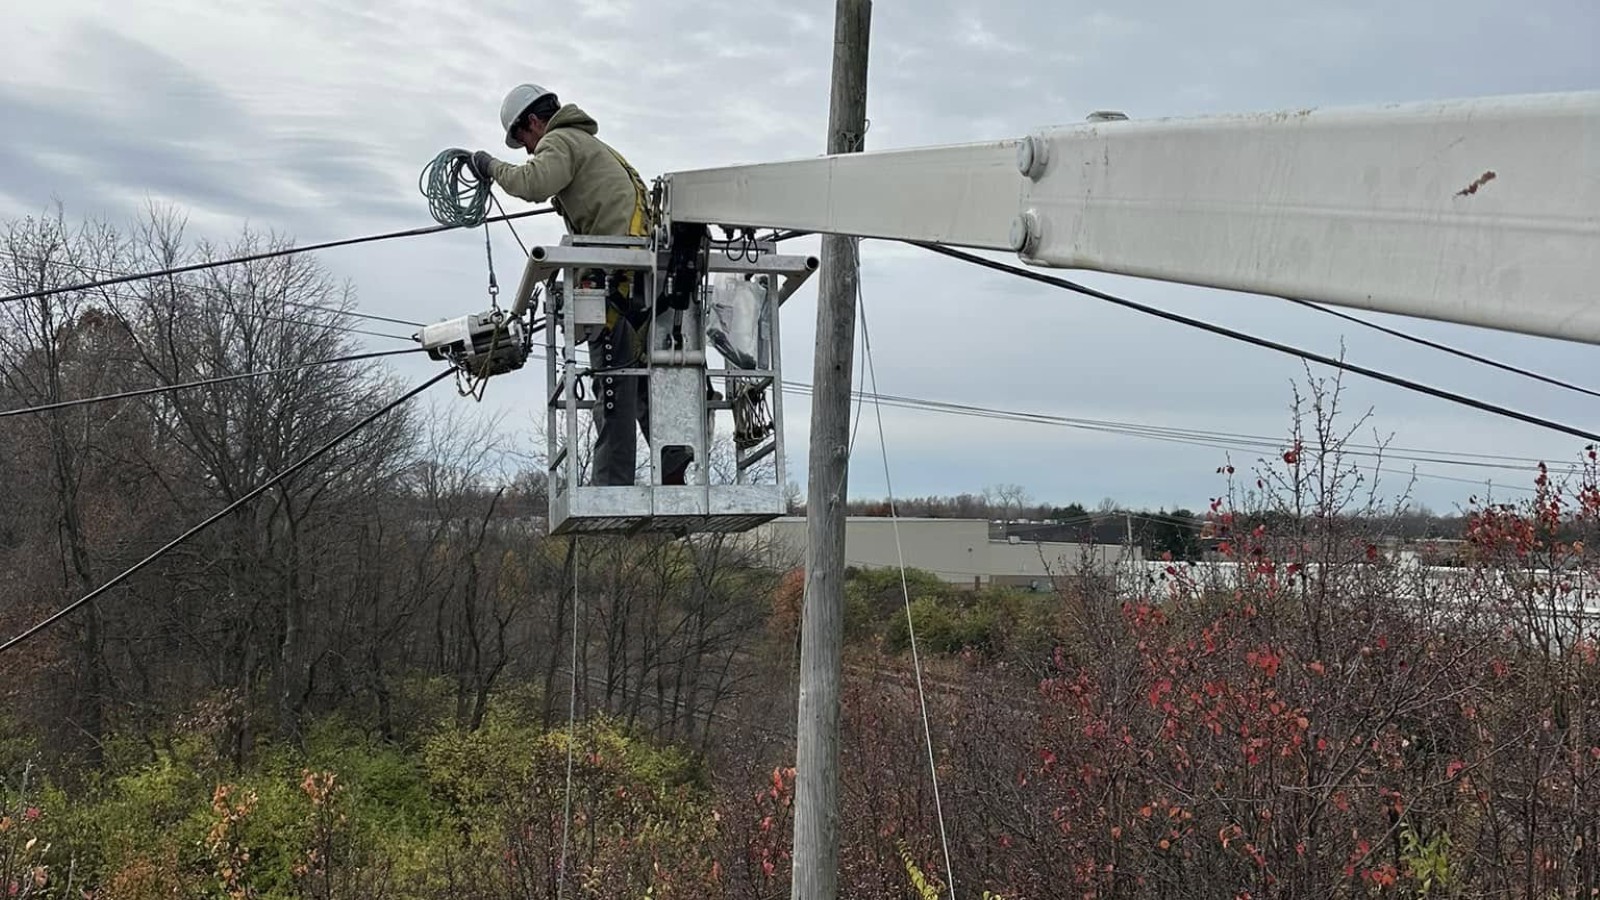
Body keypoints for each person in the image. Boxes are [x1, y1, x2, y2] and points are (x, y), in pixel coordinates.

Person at [466, 83, 691, 487]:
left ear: (532, 122)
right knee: (640, 372)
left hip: (618, 277)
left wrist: (489, 166)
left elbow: (532, 183)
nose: (529, 151)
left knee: (614, 380)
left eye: (523, 140)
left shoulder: (560, 141)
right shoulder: (591, 145)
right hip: (643, 275)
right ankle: (671, 456)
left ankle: (611, 488)